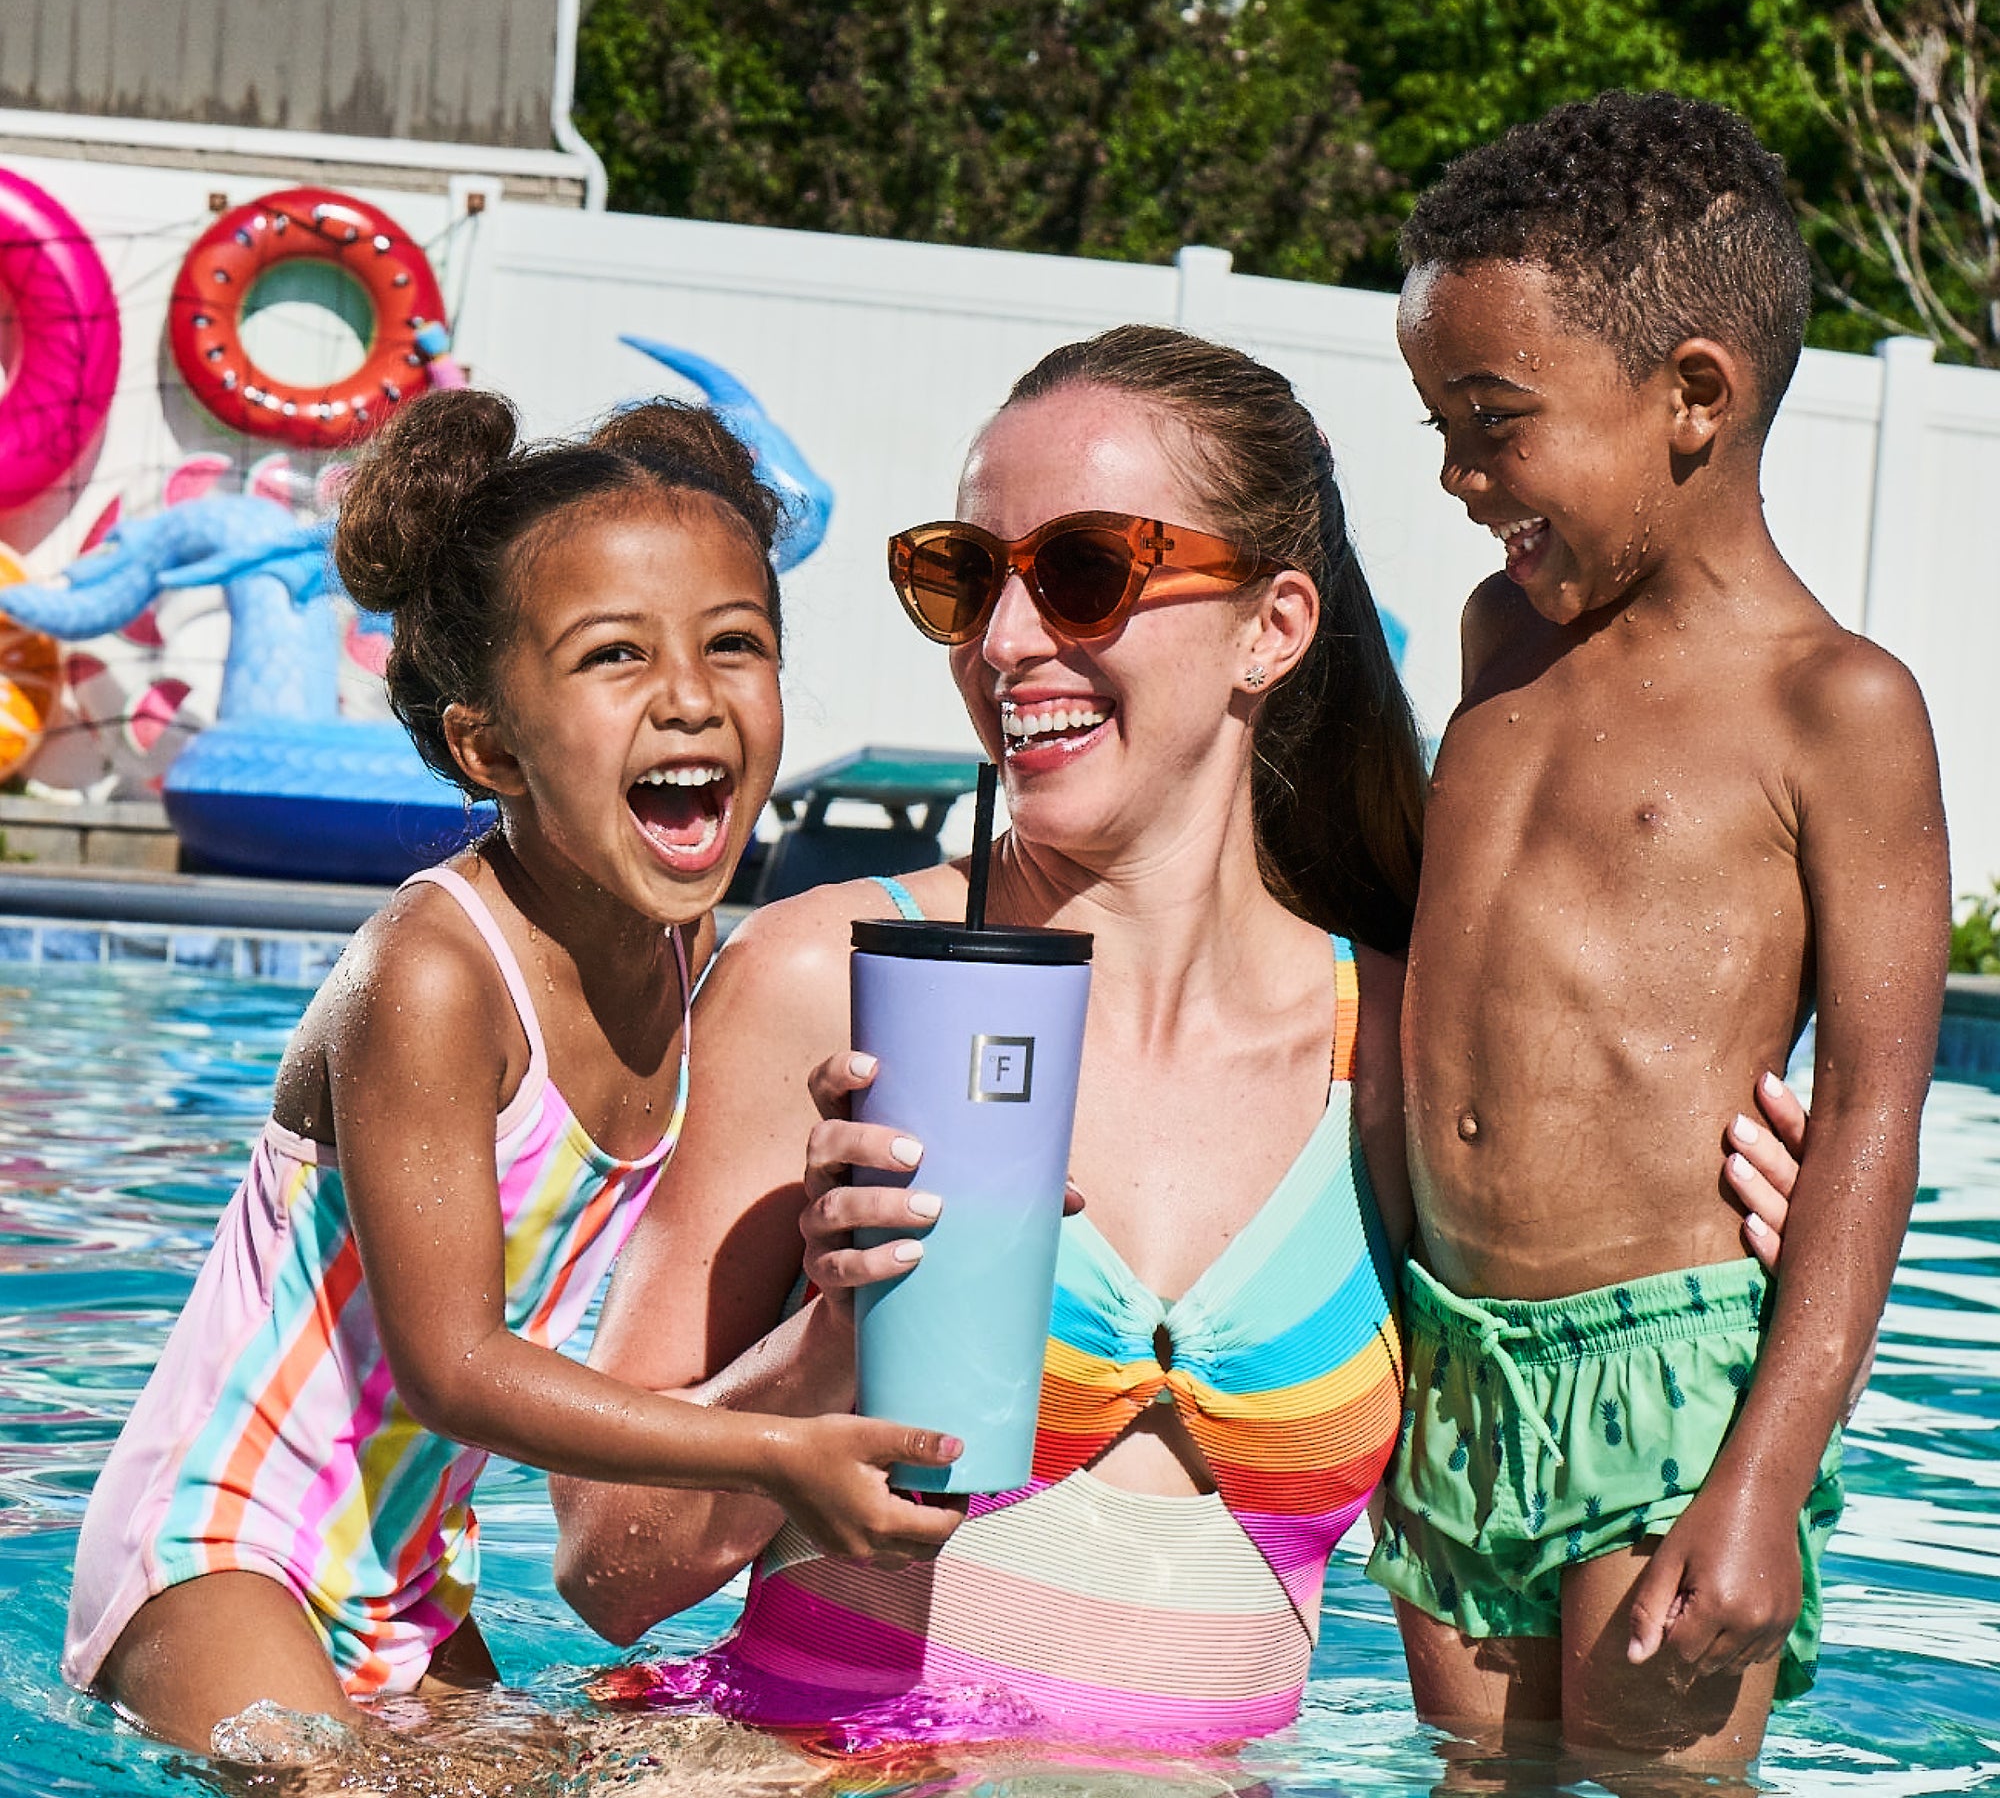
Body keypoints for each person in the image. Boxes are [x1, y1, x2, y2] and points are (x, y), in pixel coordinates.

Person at [551, 327, 1813, 1749]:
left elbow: (1532, 1544)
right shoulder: (824, 978)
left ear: (1271, 627)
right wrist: (837, 1338)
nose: (1007, 642)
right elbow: (604, 1569)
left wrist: (1737, 1270)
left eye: (1084, 574)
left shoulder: (1404, 1053)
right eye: (967, 578)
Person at [62, 391, 960, 1756]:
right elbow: (456, 1369)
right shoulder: (435, 973)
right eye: (614, 656)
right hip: (223, 1547)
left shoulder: (680, 944)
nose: (689, 697)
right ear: (489, 747)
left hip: (413, 1576)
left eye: (736, 644)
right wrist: (772, 1452)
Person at [1368, 92, 1949, 1771]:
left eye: (1494, 420)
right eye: (1441, 430)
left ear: (1694, 394)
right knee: (1477, 1776)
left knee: (1653, 1775)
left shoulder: (1834, 706)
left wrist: (1767, 1475)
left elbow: (1874, 1108)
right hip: (1460, 1354)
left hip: (1669, 1377)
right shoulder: (1502, 638)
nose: (1467, 477)